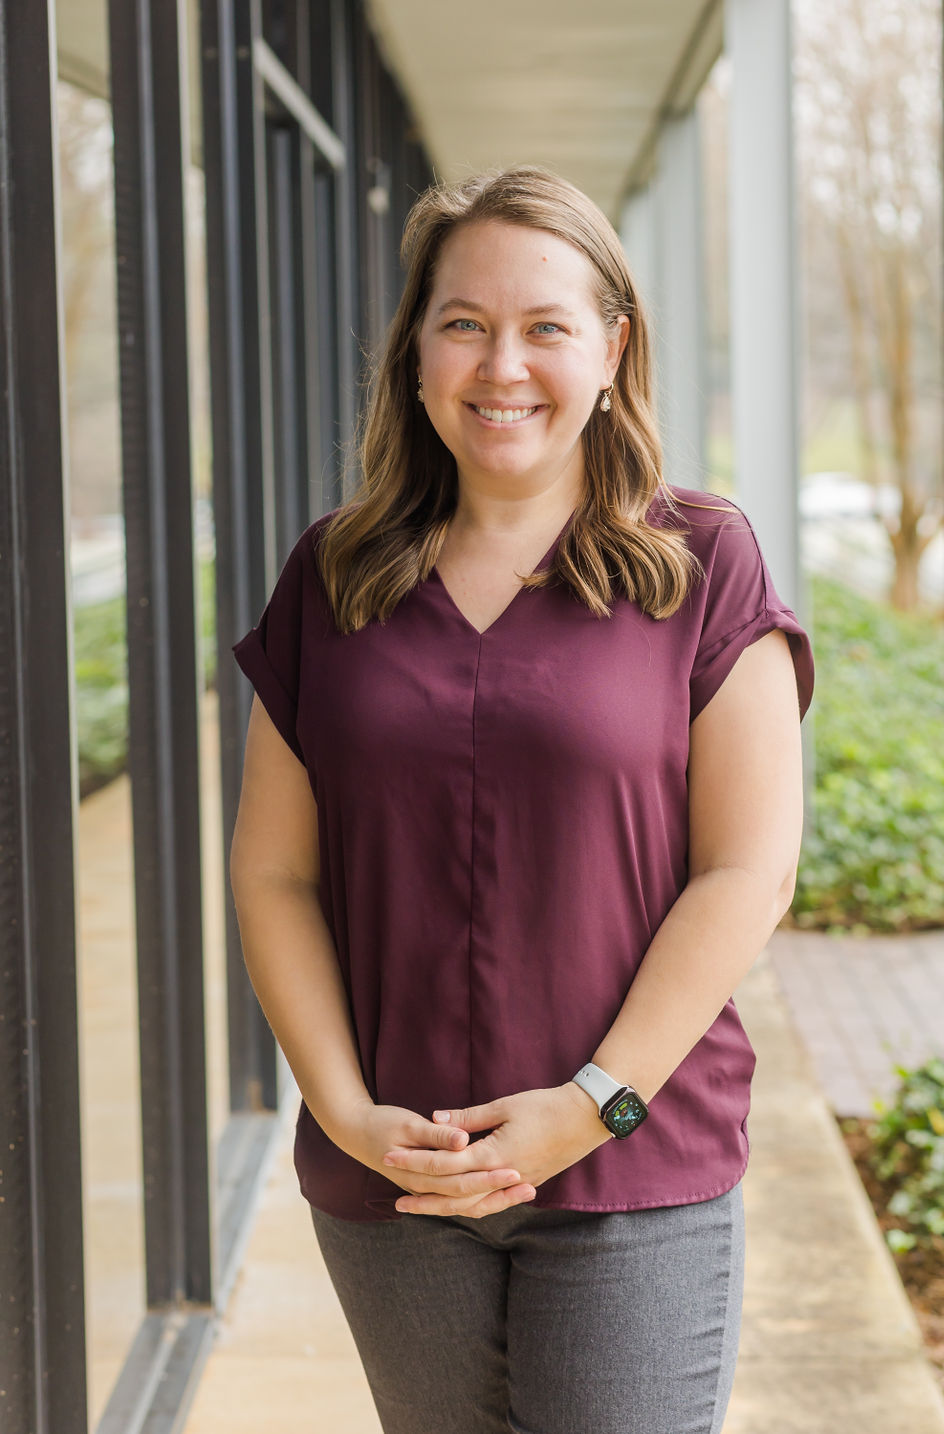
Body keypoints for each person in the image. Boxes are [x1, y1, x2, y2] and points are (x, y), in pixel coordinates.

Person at [230, 165, 814, 1434]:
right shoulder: (334, 575)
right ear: (417, 354)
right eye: (463, 323)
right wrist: (344, 1110)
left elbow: (748, 871)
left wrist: (590, 1102)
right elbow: (272, 872)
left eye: (545, 325)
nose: (503, 364)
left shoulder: (701, 560)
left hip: (632, 1171)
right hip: (400, 1187)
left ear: (610, 349)